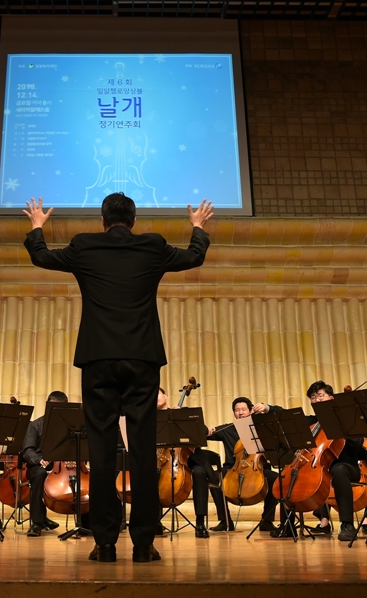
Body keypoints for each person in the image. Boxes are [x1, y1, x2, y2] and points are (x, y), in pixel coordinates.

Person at [23, 192, 212, 563]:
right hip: (142, 357)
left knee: (102, 452)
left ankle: (105, 543)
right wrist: (198, 228)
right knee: (142, 452)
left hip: (98, 358)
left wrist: (37, 227)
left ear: (103, 220)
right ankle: (143, 544)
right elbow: (194, 256)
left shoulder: (84, 246)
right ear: (134, 220)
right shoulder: (152, 246)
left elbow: (41, 257)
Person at [304, 381, 367, 541]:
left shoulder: (346, 417)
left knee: (338, 470)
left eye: (320, 396)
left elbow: (358, 445)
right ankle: (291, 524)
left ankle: (347, 525)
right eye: (313, 397)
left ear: (331, 398)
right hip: (323, 466)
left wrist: (341, 431)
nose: (317, 400)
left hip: (348, 465)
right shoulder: (313, 422)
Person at [206, 396, 283, 536]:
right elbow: (204, 434)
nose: (240, 413)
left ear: (250, 411)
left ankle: (266, 520)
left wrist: (267, 408)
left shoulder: (262, 428)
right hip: (232, 469)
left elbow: (281, 414)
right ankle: (225, 521)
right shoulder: (228, 429)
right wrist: (206, 429)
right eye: (237, 410)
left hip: (257, 468)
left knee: (277, 480)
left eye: (243, 409)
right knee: (214, 479)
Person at [155, 387, 224, 538]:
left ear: (166, 396)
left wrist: (180, 415)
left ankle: (200, 522)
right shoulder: (152, 419)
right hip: (162, 459)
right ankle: (155, 521)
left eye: (158, 393)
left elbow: (203, 431)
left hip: (191, 459)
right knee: (152, 473)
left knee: (199, 473)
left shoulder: (182, 413)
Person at [20, 391, 68, 537]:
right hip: (38, 465)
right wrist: (38, 460)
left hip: (62, 465)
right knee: (40, 474)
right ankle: (37, 523)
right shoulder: (35, 425)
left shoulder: (69, 426)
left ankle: (85, 522)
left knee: (81, 476)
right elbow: (27, 450)